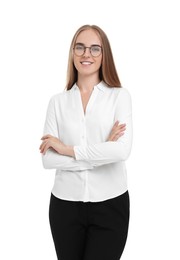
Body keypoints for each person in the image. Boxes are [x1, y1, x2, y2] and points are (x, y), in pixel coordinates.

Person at [39, 24, 133, 260]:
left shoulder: (119, 96)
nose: (86, 54)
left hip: (110, 205)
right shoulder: (57, 102)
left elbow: (121, 151)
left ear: (104, 55)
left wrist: (66, 149)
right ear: (72, 52)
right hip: (64, 207)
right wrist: (100, 155)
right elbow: (48, 160)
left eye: (94, 49)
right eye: (80, 47)